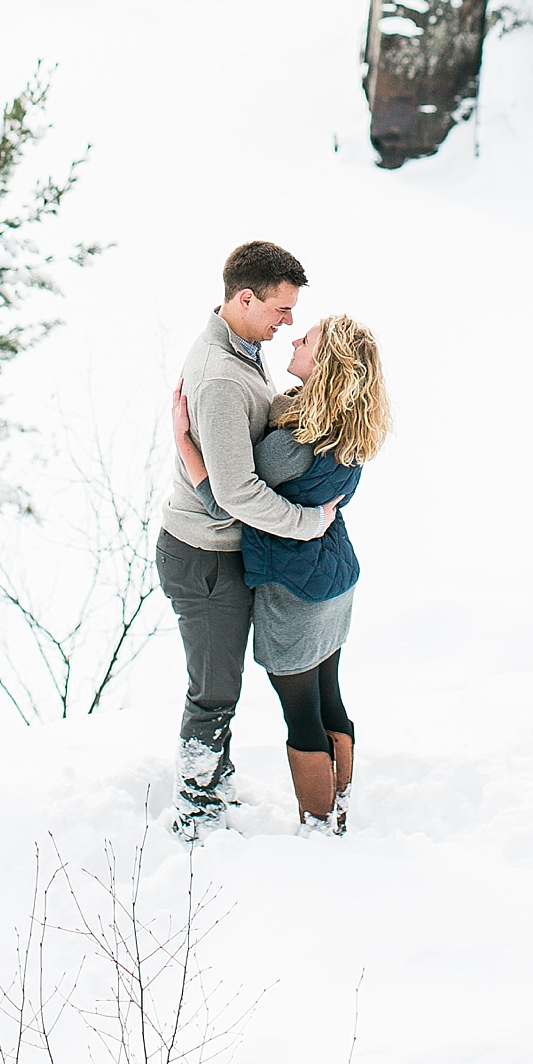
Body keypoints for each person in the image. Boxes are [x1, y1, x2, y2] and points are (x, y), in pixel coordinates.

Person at [173, 313, 390, 835]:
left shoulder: (291, 445)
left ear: (328, 364)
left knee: (302, 714)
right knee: (329, 696)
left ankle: (320, 825)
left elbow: (234, 497)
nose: (295, 337)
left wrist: (185, 441)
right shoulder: (347, 428)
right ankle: (337, 807)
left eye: (307, 338)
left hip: (295, 592)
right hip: (333, 580)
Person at [156, 241, 341, 841]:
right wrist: (307, 522)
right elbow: (235, 494)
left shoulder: (242, 350)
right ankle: (197, 811)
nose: (288, 323)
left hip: (223, 548)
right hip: (205, 557)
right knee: (214, 692)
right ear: (245, 297)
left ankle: (216, 784)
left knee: (222, 685)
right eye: (280, 310)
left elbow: (242, 441)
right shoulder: (220, 379)